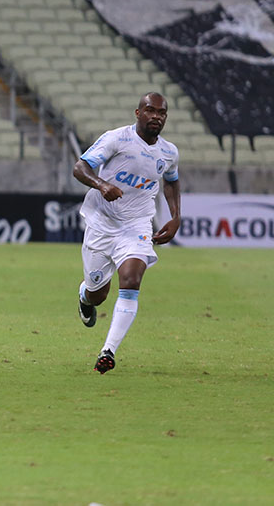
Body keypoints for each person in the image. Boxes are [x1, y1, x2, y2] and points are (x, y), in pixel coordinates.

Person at [73, 92, 181, 374]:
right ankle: (85, 295)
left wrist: (175, 216)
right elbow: (80, 167)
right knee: (98, 292)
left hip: (137, 225)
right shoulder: (116, 139)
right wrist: (101, 184)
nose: (156, 116)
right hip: (102, 222)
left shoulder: (169, 152)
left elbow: (171, 181)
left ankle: (107, 351)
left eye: (162, 113)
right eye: (150, 110)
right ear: (138, 113)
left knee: (131, 280)